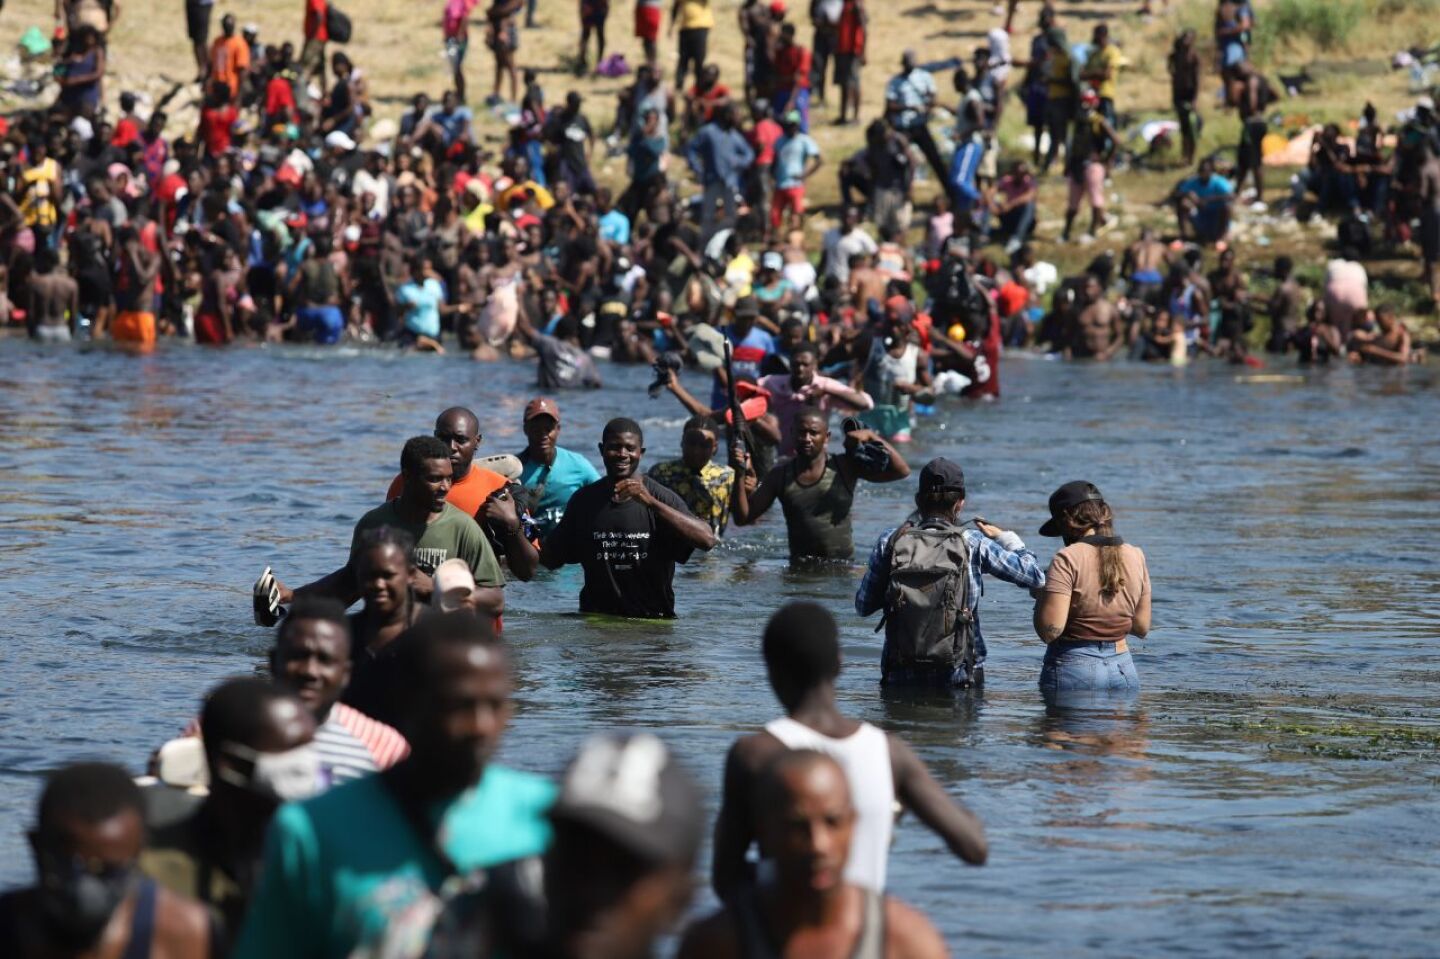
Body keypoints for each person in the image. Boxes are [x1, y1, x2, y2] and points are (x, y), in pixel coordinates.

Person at [233, 612, 555, 958]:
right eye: (459, 705)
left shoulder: (548, 820)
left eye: (495, 705)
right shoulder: (309, 832)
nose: (481, 725)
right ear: (407, 702)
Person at [712, 602, 987, 901]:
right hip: (864, 937)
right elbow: (974, 847)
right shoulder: (889, 753)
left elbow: (726, 879)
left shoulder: (755, 755)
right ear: (840, 664)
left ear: (772, 671)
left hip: (783, 937)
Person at [677, 751, 949, 959]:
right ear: (762, 831)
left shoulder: (906, 942)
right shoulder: (716, 944)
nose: (818, 844)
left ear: (853, 825)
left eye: (832, 822)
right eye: (796, 826)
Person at [143, 679, 319, 944]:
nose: (310, 772)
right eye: (290, 761)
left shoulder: (320, 865)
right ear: (232, 767)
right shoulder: (151, 882)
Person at [855, 457, 1045, 687]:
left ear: (918, 499)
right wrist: (1008, 539)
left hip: (900, 673)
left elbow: (863, 606)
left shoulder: (891, 540)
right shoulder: (973, 542)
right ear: (960, 503)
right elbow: (1035, 577)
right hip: (958, 674)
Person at [270, 435, 505, 615]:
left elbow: (495, 601)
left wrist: (436, 590)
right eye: (434, 479)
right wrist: (292, 597)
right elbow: (351, 584)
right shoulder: (375, 524)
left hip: (439, 638)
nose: (445, 487)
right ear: (408, 478)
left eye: (448, 478)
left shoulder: (463, 528)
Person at [0, 763, 212, 959]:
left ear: (139, 854)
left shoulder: (185, 935)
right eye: (70, 867)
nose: (84, 889)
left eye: (107, 871)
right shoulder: (8, 928)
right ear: (36, 847)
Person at [541, 417, 717, 617]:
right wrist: (520, 528)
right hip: (596, 622)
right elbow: (550, 560)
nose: (622, 454)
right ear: (601, 449)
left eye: (630, 448)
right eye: (615, 447)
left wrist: (650, 503)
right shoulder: (584, 501)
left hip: (652, 623)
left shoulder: (660, 498)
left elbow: (707, 540)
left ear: (640, 453)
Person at [731, 408, 909, 562]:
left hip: (842, 566)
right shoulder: (780, 475)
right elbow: (743, 518)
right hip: (800, 566)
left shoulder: (845, 467)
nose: (807, 438)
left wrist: (871, 436)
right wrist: (739, 473)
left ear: (826, 437)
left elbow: (901, 471)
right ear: (792, 433)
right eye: (801, 432)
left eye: (813, 433)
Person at [268, 598, 410, 783]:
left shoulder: (384, 748)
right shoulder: (237, 732)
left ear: (346, 673)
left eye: (325, 660)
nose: (311, 671)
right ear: (273, 662)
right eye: (298, 656)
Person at [387, 408, 539, 580]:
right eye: (443, 438)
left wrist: (512, 524)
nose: (451, 447)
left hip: (474, 599)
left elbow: (528, 573)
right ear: (434, 436)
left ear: (477, 441)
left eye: (461, 440)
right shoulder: (406, 482)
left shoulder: (502, 491)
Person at [1032, 481, 1151, 697]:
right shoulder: (1136, 555)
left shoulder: (1067, 558)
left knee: (1067, 731)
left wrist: (1042, 595)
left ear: (1067, 520)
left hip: (1074, 668)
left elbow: (1050, 631)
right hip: (1123, 668)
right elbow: (1141, 627)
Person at [757, 341, 872, 454]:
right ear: (790, 363)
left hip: (814, 456)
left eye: (805, 364)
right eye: (796, 364)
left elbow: (866, 403)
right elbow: (748, 385)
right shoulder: (774, 383)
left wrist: (827, 391)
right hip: (781, 455)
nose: (800, 369)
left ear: (814, 364)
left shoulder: (825, 385)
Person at [518, 397, 602, 536]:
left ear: (558, 429)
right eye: (536, 429)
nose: (543, 435)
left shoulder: (578, 465)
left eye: (548, 429)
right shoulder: (514, 469)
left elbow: (604, 498)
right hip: (531, 553)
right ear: (525, 429)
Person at [647, 414, 740, 536]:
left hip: (710, 548)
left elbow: (742, 516)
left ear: (715, 447)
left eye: (704, 445)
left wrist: (743, 477)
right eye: (691, 443)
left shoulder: (727, 476)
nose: (696, 451)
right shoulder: (661, 472)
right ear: (682, 442)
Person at [685, 104, 755, 241]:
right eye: (736, 114)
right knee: (708, 214)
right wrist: (698, 169)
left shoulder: (734, 136)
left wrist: (737, 162)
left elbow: (749, 155)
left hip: (730, 182)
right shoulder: (708, 132)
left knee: (731, 215)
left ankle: (729, 241)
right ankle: (705, 242)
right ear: (727, 115)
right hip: (712, 180)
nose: (738, 118)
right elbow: (691, 149)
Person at [885, 51, 946, 190]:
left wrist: (927, 107)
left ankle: (951, 192)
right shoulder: (895, 82)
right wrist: (909, 107)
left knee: (935, 158)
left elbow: (933, 97)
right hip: (902, 128)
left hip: (919, 125)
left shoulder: (924, 77)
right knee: (897, 160)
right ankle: (897, 191)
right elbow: (890, 105)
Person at [1062, 89, 1118, 241]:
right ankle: (1065, 233)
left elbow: (1115, 141)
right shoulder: (1077, 122)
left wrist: (1107, 161)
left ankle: (1093, 231)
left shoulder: (1098, 121)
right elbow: (1073, 145)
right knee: (1073, 202)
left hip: (1093, 165)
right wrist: (1067, 165)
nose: (1084, 105)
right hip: (1076, 165)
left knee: (1095, 200)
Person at [771, 109, 822, 235]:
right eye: (788, 124)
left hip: (795, 184)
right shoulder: (779, 141)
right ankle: (776, 238)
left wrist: (804, 175)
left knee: (796, 214)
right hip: (780, 183)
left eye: (793, 125)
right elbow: (774, 161)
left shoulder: (804, 140)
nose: (791, 127)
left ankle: (795, 238)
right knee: (775, 215)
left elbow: (819, 160)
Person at [1168, 156, 1234, 244]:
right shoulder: (1193, 182)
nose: (1204, 174)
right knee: (1184, 204)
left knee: (1227, 207)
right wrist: (1187, 194)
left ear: (1211, 171)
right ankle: (1184, 236)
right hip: (1200, 215)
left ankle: (1221, 238)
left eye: (1206, 171)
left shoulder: (1219, 182)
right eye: (1202, 170)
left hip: (1216, 216)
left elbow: (1231, 196)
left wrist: (1207, 200)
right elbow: (1176, 194)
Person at [26, 247, 80, 342]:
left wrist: (31, 334)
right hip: (62, 329)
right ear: (58, 262)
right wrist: (71, 332)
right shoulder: (71, 284)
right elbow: (73, 313)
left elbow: (31, 313)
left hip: (42, 328)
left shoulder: (36, 283)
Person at [1168, 29, 1201, 166]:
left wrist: (1195, 99)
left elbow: (1197, 79)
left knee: (1191, 128)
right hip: (1178, 93)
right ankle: (1184, 155)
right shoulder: (1176, 56)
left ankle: (1191, 157)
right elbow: (1171, 71)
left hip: (1189, 94)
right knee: (1183, 128)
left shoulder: (1194, 57)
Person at [671, 0, 714, 91]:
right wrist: (672, 24)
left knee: (699, 60)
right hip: (685, 27)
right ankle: (679, 86)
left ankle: (699, 87)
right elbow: (676, 6)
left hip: (700, 27)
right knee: (683, 60)